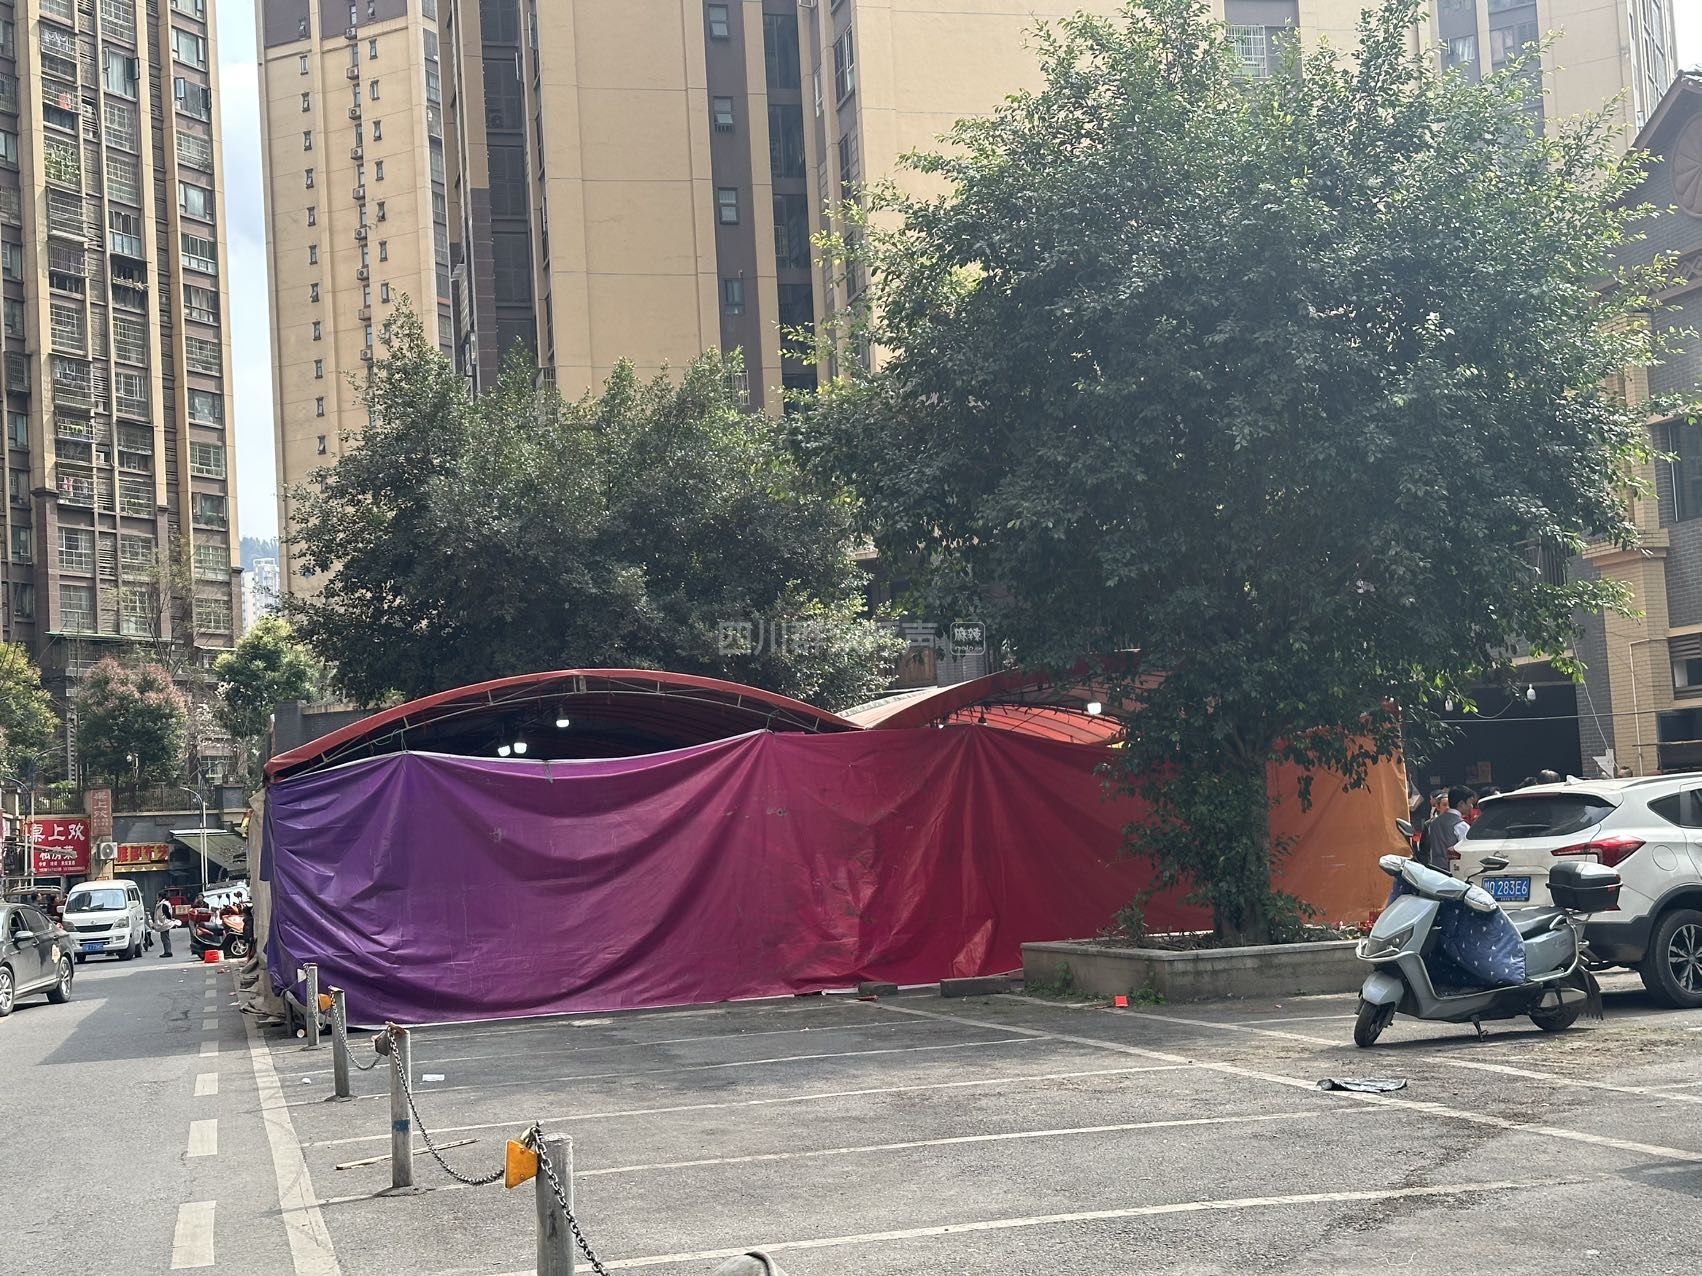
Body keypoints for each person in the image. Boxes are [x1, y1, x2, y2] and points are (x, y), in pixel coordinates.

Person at [1420, 786, 1473, 873]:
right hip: (1454, 871)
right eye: (1470, 803)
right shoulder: (1461, 825)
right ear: (1461, 804)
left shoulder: (1432, 823)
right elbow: (1466, 852)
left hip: (1435, 869)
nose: (1471, 807)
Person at [153, 894, 178, 958]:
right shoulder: (162, 903)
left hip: (164, 923)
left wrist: (169, 919)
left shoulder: (163, 904)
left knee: (165, 938)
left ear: (161, 897)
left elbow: (167, 913)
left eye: (157, 897)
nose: (157, 898)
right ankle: (167, 951)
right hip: (163, 923)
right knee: (164, 937)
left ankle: (168, 952)